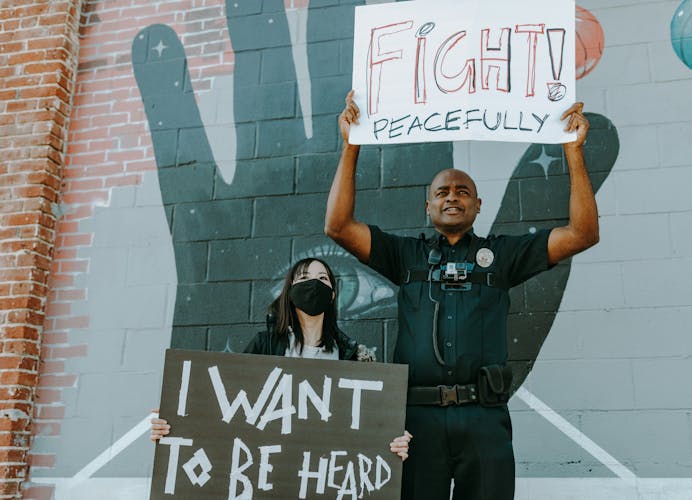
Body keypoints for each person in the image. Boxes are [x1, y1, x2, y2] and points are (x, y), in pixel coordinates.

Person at [325, 90, 599, 500]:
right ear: (428, 206)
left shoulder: (502, 256)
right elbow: (338, 226)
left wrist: (572, 152)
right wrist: (351, 147)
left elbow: (582, 234)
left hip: (483, 417)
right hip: (417, 421)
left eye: (462, 191)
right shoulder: (405, 255)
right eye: (442, 192)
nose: (452, 196)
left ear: (477, 206)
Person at [151, 257, 412, 461]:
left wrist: (393, 439)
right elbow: (225, 410)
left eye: (323, 278)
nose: (315, 283)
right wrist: (175, 423)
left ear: (332, 294)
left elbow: (369, 427)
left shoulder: (354, 357)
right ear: (290, 291)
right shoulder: (264, 346)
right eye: (305, 278)